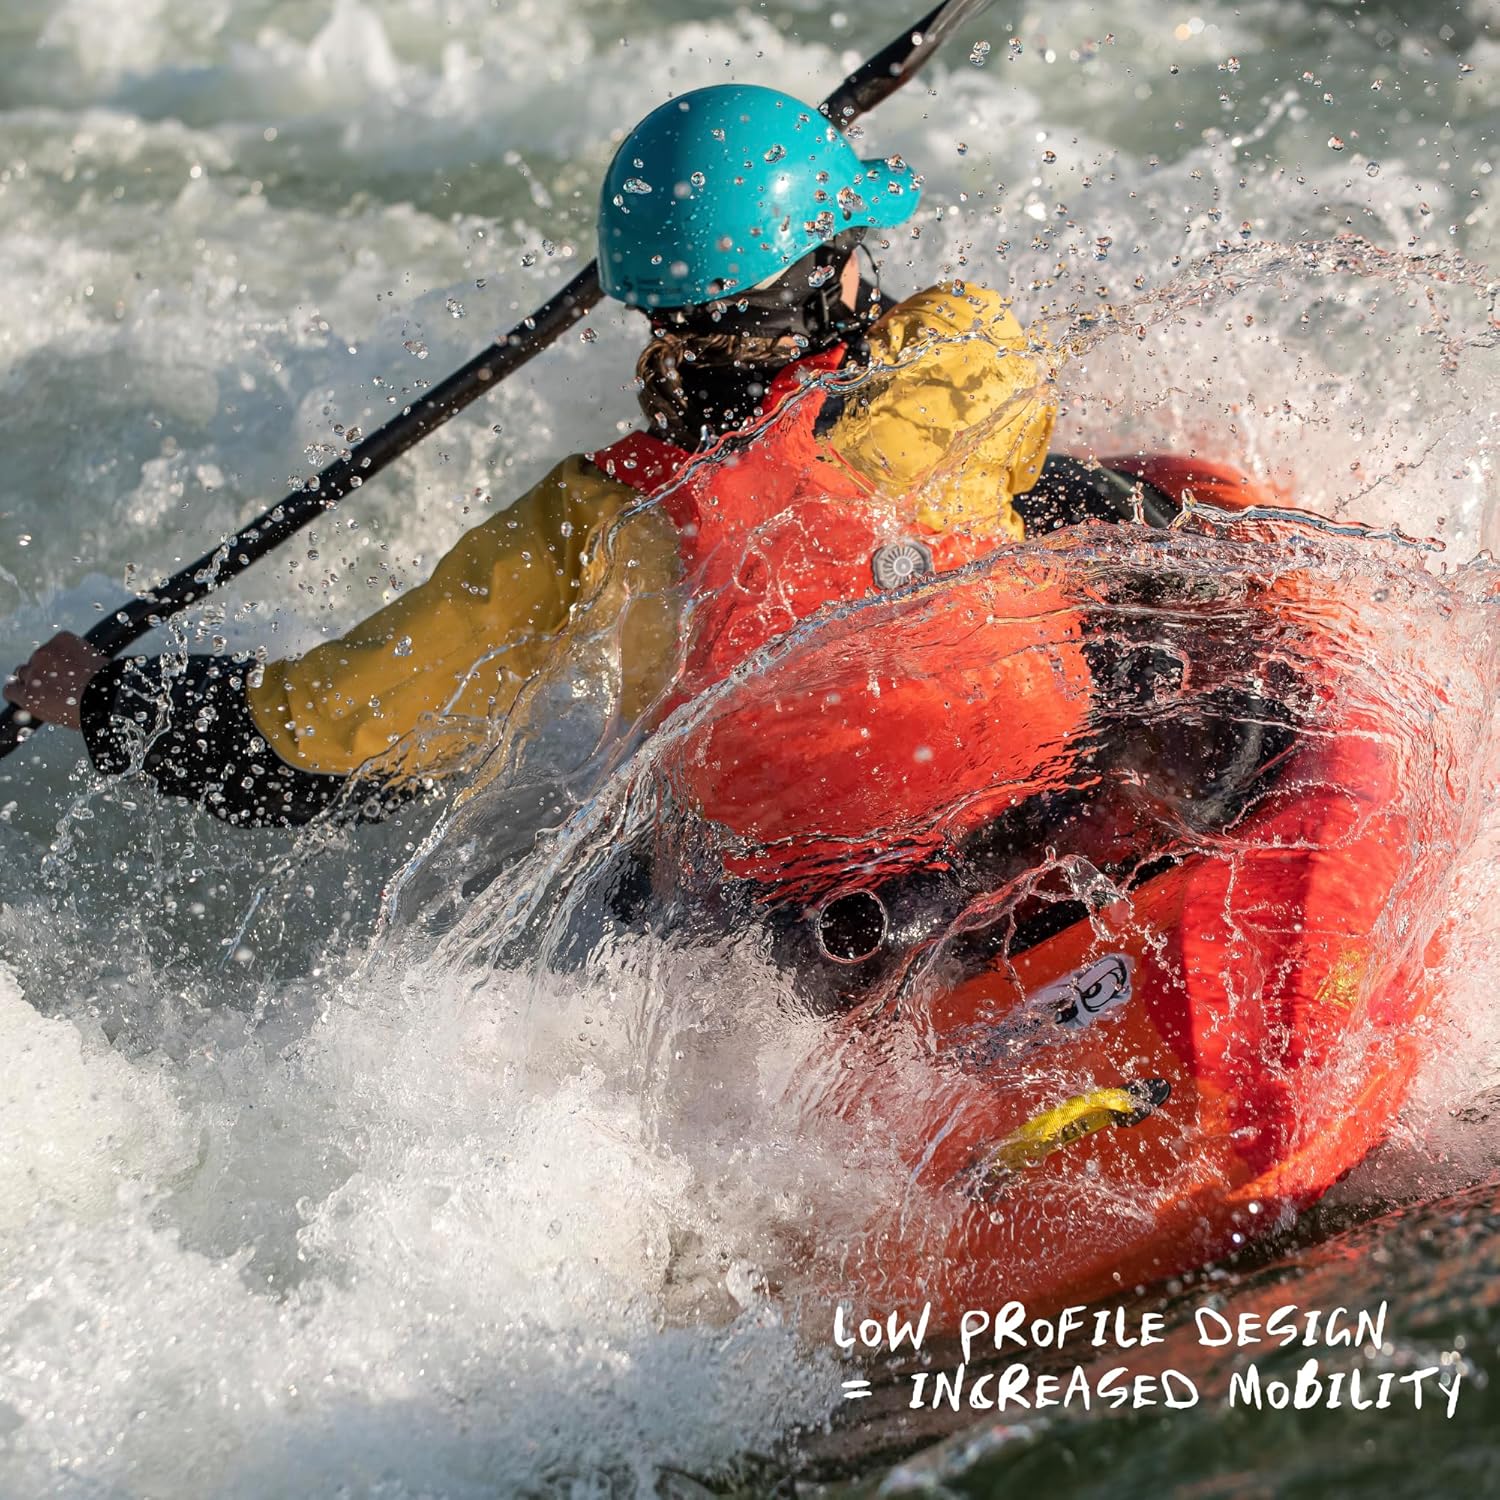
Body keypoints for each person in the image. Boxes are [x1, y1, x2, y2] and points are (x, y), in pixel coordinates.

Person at [6, 84, 1137, 830]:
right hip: (1047, 786)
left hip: (798, 900)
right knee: (1069, 496)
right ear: (835, 270)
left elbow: (318, 743)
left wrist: (100, 699)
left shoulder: (591, 517)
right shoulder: (963, 349)